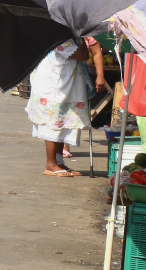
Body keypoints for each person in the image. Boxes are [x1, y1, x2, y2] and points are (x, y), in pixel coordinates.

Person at [26, 38, 104, 176]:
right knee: (53, 122)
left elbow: (91, 51)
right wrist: (81, 39)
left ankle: (59, 162)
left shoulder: (74, 36)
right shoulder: (60, 36)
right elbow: (83, 55)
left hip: (67, 83)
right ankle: (51, 164)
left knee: (64, 121)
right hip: (54, 85)